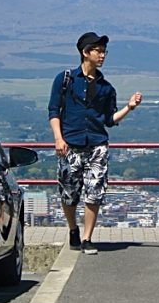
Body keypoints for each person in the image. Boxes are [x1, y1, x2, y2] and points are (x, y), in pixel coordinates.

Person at [48, 32, 142, 255]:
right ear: (85, 52)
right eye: (98, 51)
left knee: (95, 192)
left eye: (104, 52)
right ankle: (73, 228)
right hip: (70, 143)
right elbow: (54, 111)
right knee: (68, 193)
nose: (102, 56)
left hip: (97, 145)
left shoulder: (106, 88)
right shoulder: (65, 80)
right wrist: (58, 138)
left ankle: (87, 237)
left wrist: (129, 108)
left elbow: (109, 120)